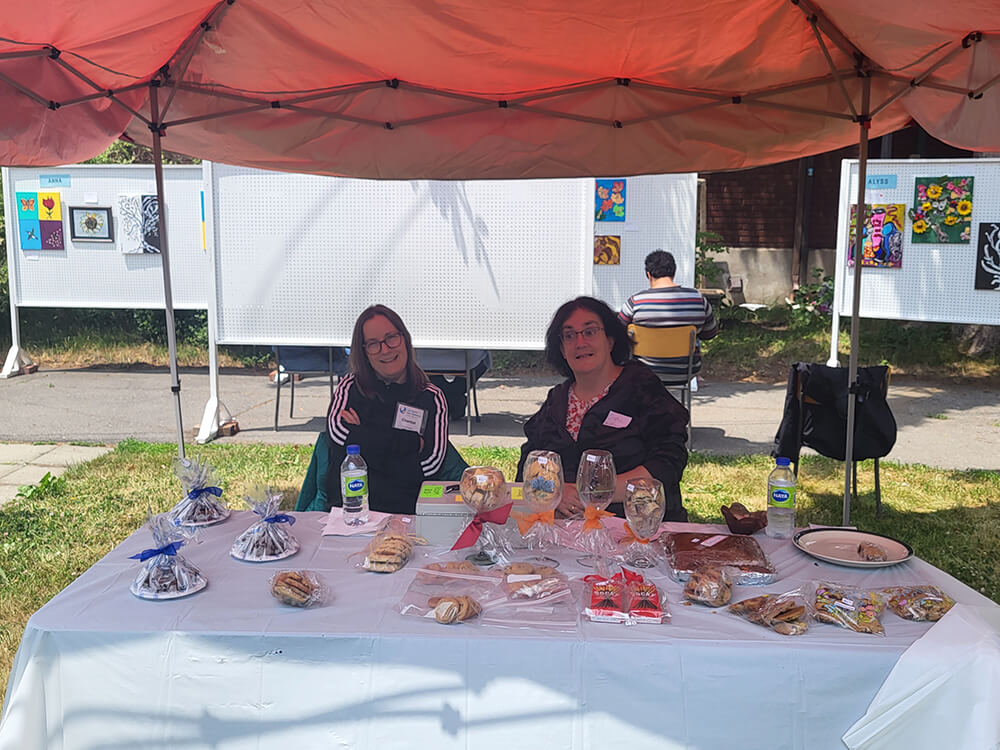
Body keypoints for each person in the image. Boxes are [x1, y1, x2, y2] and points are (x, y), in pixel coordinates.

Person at [516, 296, 689, 522]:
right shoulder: (556, 400)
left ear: (610, 340)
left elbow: (667, 463)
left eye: (590, 332)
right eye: (569, 336)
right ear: (562, 349)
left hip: (633, 529)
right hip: (560, 534)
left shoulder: (640, 387)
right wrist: (554, 492)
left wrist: (590, 494)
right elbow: (527, 470)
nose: (580, 343)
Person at [324, 305, 449, 514]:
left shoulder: (431, 396)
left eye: (391, 337)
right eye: (373, 344)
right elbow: (337, 435)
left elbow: (431, 464)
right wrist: (410, 443)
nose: (385, 349)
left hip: (407, 514)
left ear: (405, 339)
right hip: (351, 513)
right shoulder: (350, 386)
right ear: (363, 351)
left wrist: (361, 435)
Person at [618, 249, 719, 382]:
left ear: (649, 275)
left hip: (643, 372)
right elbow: (710, 333)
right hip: (685, 372)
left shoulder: (635, 302)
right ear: (674, 272)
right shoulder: (698, 299)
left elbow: (617, 332)